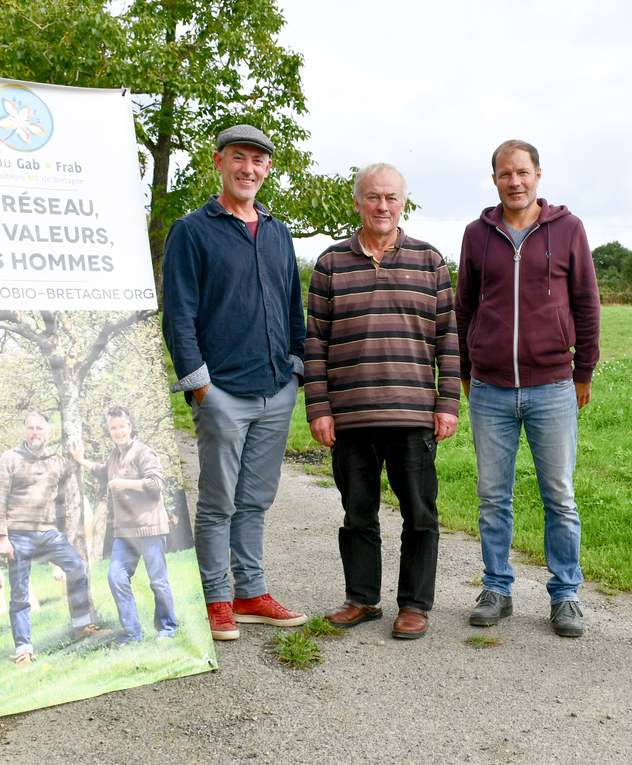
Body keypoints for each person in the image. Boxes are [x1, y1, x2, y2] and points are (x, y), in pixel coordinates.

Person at [162, 123, 308, 641]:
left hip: (275, 390)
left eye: (259, 161)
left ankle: (250, 591)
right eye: (239, 158)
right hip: (221, 392)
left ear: (268, 169)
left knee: (255, 500)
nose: (249, 169)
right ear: (219, 162)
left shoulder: (276, 231)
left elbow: (293, 305)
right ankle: (215, 597)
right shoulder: (192, 230)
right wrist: (202, 389)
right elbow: (178, 316)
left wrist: (295, 369)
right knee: (218, 500)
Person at [305, 163, 460, 640]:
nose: (383, 206)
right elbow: (314, 345)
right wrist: (319, 408)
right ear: (357, 202)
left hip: (413, 413)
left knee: (419, 514)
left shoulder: (430, 261)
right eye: (373, 197)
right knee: (358, 513)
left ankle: (414, 605)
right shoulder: (330, 264)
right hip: (350, 416)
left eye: (392, 198)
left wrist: (448, 404)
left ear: (403, 203)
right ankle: (362, 599)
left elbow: (448, 340)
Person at [455, 140, 601, 637]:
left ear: (538, 175)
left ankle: (565, 596)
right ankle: (496, 588)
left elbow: (586, 303)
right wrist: (464, 370)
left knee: (559, 495)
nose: (514, 181)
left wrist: (584, 371)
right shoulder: (478, 234)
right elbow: (464, 307)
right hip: (491, 388)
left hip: (553, 385)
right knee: (493, 495)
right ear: (494, 179)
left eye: (522, 172)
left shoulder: (568, 229)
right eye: (503, 174)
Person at [0, 411, 107, 665]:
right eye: (30, 428)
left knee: (78, 566)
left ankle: (80, 626)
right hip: (18, 534)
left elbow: (70, 489)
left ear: (49, 433)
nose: (35, 432)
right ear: (25, 431)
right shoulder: (9, 458)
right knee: (20, 592)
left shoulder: (58, 461)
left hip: (49, 534)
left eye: (39, 428)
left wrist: (79, 459)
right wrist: (2, 537)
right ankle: (24, 649)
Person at [71, 406, 177, 645]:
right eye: (113, 428)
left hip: (150, 528)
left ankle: (167, 629)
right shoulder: (114, 456)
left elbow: (156, 483)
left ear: (130, 427)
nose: (118, 431)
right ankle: (132, 634)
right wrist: (81, 460)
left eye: (121, 426)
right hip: (125, 533)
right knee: (116, 577)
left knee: (158, 581)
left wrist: (125, 483)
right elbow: (103, 472)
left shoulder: (144, 452)